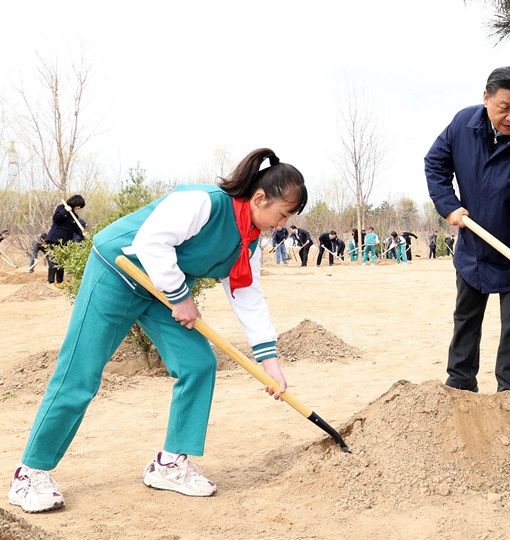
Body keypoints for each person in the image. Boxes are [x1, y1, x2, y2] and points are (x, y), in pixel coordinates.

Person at [8, 148, 304, 513]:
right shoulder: (205, 202)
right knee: (80, 372)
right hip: (117, 272)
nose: (282, 224)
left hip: (162, 291)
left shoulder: (249, 241)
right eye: (283, 214)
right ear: (260, 198)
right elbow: (151, 242)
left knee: (198, 364)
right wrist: (181, 297)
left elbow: (248, 297)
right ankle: (30, 472)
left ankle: (169, 464)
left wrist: (270, 362)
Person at [425, 66, 510, 399]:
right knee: (466, 317)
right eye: (504, 107)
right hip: (474, 245)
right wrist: (448, 204)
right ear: (486, 98)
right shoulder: (462, 125)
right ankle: (460, 383)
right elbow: (435, 163)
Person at [45, 196, 88, 286]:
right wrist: (65, 211)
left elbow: (76, 228)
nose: (79, 208)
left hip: (65, 241)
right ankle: (51, 281)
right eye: (79, 206)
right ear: (75, 203)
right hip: (55, 239)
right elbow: (56, 218)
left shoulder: (74, 216)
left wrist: (82, 233)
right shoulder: (62, 208)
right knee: (54, 260)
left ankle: (59, 281)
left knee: (61, 261)